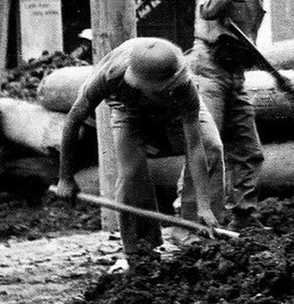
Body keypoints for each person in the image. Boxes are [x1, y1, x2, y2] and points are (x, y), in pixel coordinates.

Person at [55, 37, 225, 262]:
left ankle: (197, 229)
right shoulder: (110, 75)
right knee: (130, 174)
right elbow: (73, 120)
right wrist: (65, 177)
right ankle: (141, 249)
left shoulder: (183, 85)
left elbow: (195, 146)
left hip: (174, 108)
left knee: (212, 146)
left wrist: (204, 204)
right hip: (128, 110)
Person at [191, 0, 284, 232]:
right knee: (207, 148)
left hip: (235, 76)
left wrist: (272, 73)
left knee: (248, 150)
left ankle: (244, 215)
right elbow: (209, 9)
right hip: (209, 74)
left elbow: (245, 38)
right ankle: (191, 221)